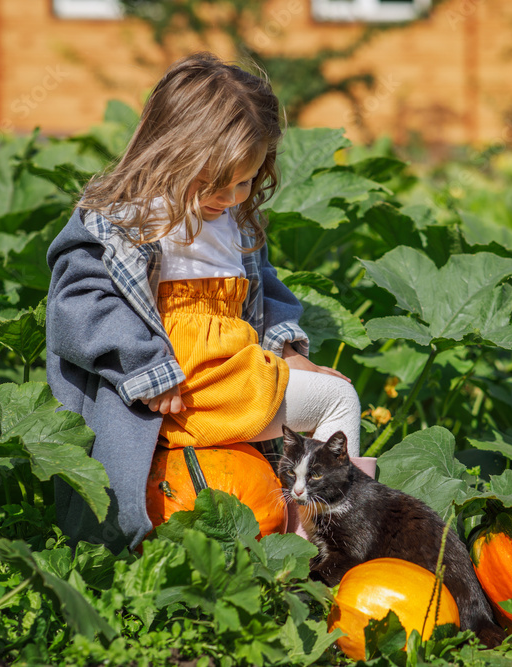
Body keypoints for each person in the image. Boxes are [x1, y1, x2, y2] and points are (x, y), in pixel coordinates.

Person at [45, 51, 363, 554]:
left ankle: (304, 540)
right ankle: (321, 549)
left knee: (331, 388)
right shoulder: (121, 223)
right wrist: (146, 368)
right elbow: (77, 307)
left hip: (229, 377)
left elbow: (268, 297)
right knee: (339, 401)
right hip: (179, 384)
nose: (233, 196)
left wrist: (288, 349)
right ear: (169, 151)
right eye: (216, 183)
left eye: (245, 181)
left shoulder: (232, 224)